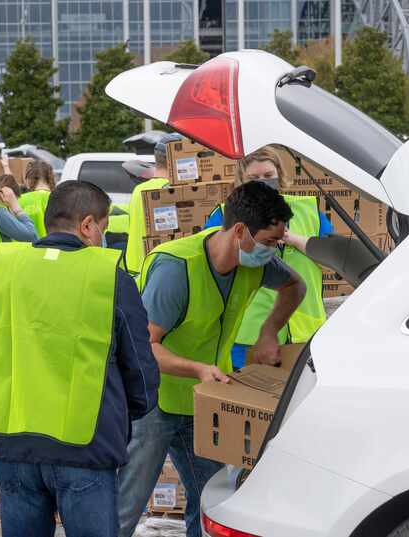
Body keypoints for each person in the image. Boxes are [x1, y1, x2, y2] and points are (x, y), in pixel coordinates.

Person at [0, 181, 160, 537]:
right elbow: (140, 367)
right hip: (87, 444)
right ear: (88, 225)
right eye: (102, 227)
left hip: (12, 444)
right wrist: (129, 411)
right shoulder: (109, 278)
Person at [118, 181, 306, 537]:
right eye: (268, 242)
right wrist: (198, 369)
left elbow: (295, 286)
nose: (273, 251)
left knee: (212, 501)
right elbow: (145, 347)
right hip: (154, 403)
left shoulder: (256, 264)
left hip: (203, 403)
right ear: (239, 232)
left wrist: (269, 332)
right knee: (127, 504)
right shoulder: (176, 269)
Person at [205, 147, 330, 368]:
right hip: (249, 332)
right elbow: (213, 262)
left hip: (304, 332)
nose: (262, 182)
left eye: (268, 176)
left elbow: (333, 257)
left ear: (280, 175)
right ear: (241, 181)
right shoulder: (225, 214)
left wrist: (295, 239)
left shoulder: (308, 210)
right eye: (254, 178)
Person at [124, 133, 180, 276]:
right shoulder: (171, 191)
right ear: (177, 158)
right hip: (157, 272)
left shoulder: (139, 190)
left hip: (134, 270)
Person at [17, 160, 55, 238]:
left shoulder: (19, 201)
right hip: (54, 248)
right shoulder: (60, 199)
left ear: (29, 179)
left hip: (28, 248)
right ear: (51, 178)